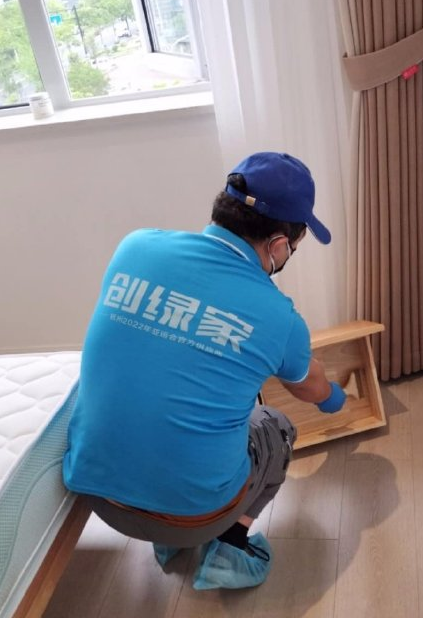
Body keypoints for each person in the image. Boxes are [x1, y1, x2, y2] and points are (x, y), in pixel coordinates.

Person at [62, 151, 347, 590]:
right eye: (294, 246)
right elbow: (311, 388)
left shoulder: (136, 246)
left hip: (98, 496)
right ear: (277, 245)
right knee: (275, 427)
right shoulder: (279, 317)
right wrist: (334, 398)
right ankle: (229, 547)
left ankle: (167, 542)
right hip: (192, 515)